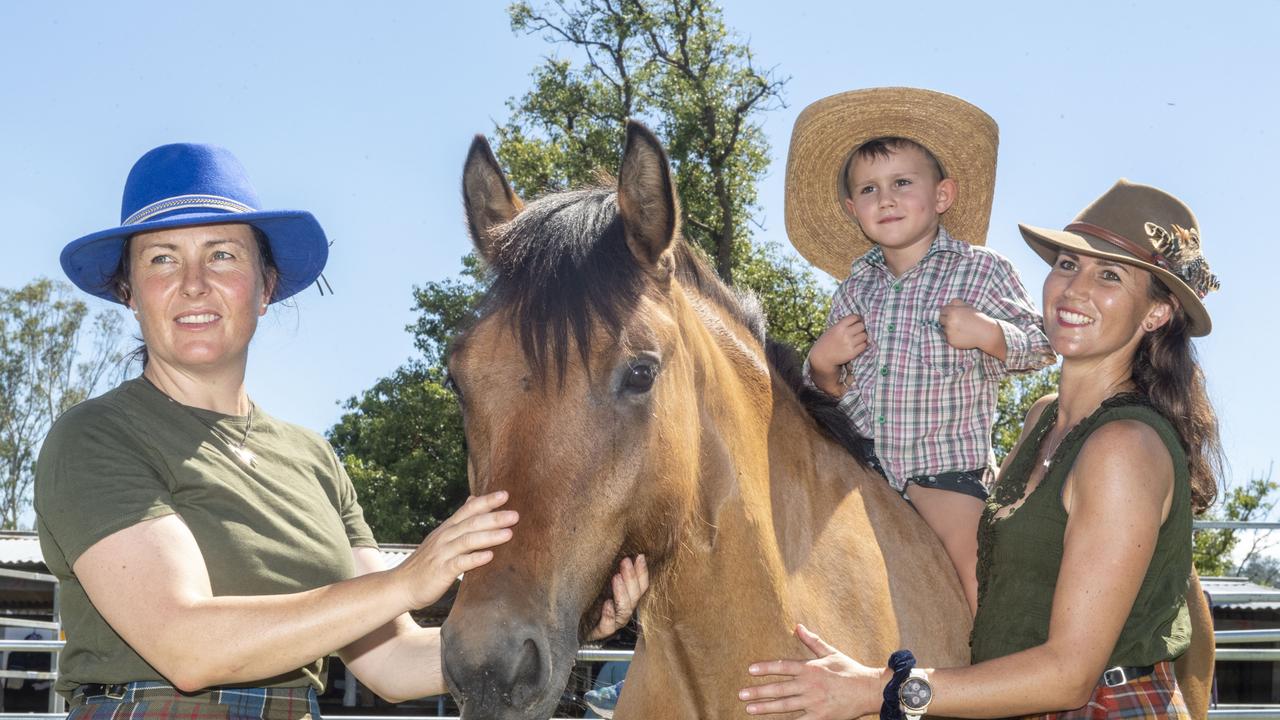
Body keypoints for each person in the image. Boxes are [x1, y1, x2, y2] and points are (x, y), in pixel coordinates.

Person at [36, 143, 648, 720]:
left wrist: (560, 623)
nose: (193, 282)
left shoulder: (311, 460)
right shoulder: (95, 439)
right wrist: (407, 580)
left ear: (266, 288)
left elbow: (391, 664)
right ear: (128, 292)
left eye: (222, 254)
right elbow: (186, 647)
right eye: (162, 258)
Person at [739, 179, 1220, 719]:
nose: (1074, 289)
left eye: (1109, 276)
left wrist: (875, 689)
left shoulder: (1123, 448)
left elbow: (1067, 677)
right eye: (1066, 265)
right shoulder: (1043, 419)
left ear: (1156, 314)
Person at [786, 88, 1054, 613]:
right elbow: (837, 401)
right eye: (868, 189)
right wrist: (820, 365)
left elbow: (1045, 344)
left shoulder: (979, 270)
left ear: (943, 195)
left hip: (946, 477)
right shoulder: (853, 289)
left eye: (902, 183)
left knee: (979, 580)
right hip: (864, 476)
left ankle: (1002, 677)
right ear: (851, 208)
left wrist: (990, 335)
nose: (885, 199)